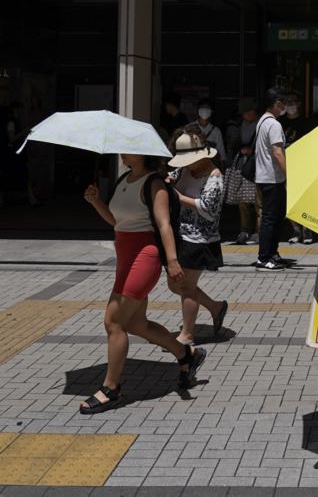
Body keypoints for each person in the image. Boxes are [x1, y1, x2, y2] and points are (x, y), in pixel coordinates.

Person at [79, 153, 206, 413]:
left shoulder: (154, 183)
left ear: (144, 154)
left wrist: (172, 260)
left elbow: (164, 224)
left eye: (130, 148)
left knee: (113, 322)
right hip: (124, 255)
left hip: (144, 257)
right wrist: (96, 202)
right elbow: (118, 222)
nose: (123, 152)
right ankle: (186, 355)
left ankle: (111, 389)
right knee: (136, 323)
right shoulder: (124, 179)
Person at [166, 126, 229, 345]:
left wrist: (178, 197)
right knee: (174, 284)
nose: (187, 164)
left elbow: (209, 209)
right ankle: (215, 307)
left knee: (186, 287)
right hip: (179, 235)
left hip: (200, 239)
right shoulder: (183, 169)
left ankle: (187, 335)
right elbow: (169, 181)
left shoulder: (215, 176)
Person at [254, 87, 289, 271]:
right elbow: (277, 152)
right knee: (270, 218)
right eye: (282, 103)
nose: (284, 106)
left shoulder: (262, 121)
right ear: (275, 103)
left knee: (274, 217)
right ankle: (264, 257)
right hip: (272, 178)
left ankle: (272, 253)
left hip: (264, 176)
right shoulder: (274, 124)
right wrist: (289, 174)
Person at [279, 91, 316, 244]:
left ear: (299, 104)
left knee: (305, 199)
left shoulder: (307, 122)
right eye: (287, 102)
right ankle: (295, 231)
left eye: (293, 102)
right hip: (285, 165)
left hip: (303, 165)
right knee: (290, 199)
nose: (291, 105)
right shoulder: (280, 123)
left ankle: (307, 231)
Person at [226, 98, 262, 245]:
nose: (247, 115)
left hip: (258, 166)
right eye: (245, 113)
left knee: (259, 202)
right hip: (243, 165)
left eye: (249, 112)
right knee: (242, 200)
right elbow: (233, 144)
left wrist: (252, 150)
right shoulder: (238, 125)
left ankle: (259, 232)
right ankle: (245, 230)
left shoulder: (261, 124)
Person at [192, 98, 226, 163]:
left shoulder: (216, 131)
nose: (205, 111)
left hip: (211, 165)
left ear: (211, 112)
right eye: (202, 108)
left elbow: (221, 154)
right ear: (198, 111)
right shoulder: (189, 128)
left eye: (207, 108)